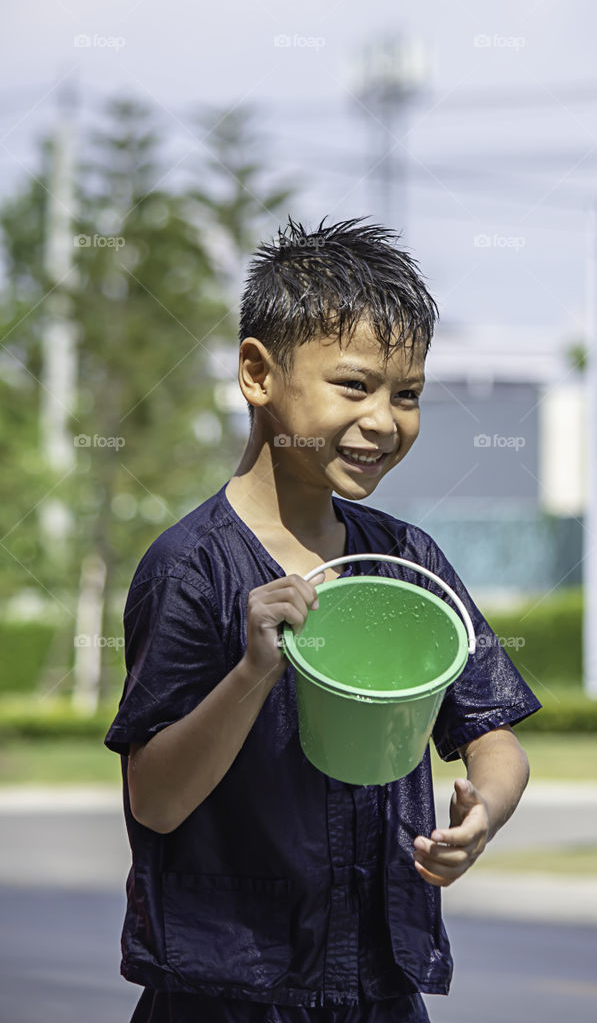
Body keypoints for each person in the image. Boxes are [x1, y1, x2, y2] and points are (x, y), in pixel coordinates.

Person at [105, 217, 541, 1023]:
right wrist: (251, 671)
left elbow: (492, 732)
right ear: (256, 374)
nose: (384, 420)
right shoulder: (192, 568)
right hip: (226, 993)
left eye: (406, 394)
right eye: (353, 386)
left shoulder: (406, 560)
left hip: (378, 988)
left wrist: (485, 807)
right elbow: (155, 801)